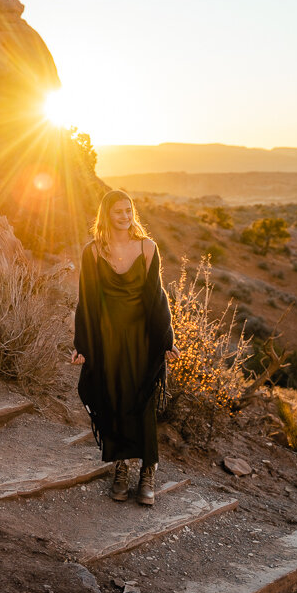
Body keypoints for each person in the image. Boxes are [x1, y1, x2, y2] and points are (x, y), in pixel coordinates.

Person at [71, 189, 179, 505]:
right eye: (118, 211)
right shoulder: (92, 252)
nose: (125, 216)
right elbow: (86, 301)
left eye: (129, 210)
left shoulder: (147, 248)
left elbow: (157, 297)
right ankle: (120, 468)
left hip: (142, 338)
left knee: (142, 403)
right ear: (106, 215)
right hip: (107, 339)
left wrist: (167, 338)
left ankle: (148, 471)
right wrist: (82, 344)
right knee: (113, 401)